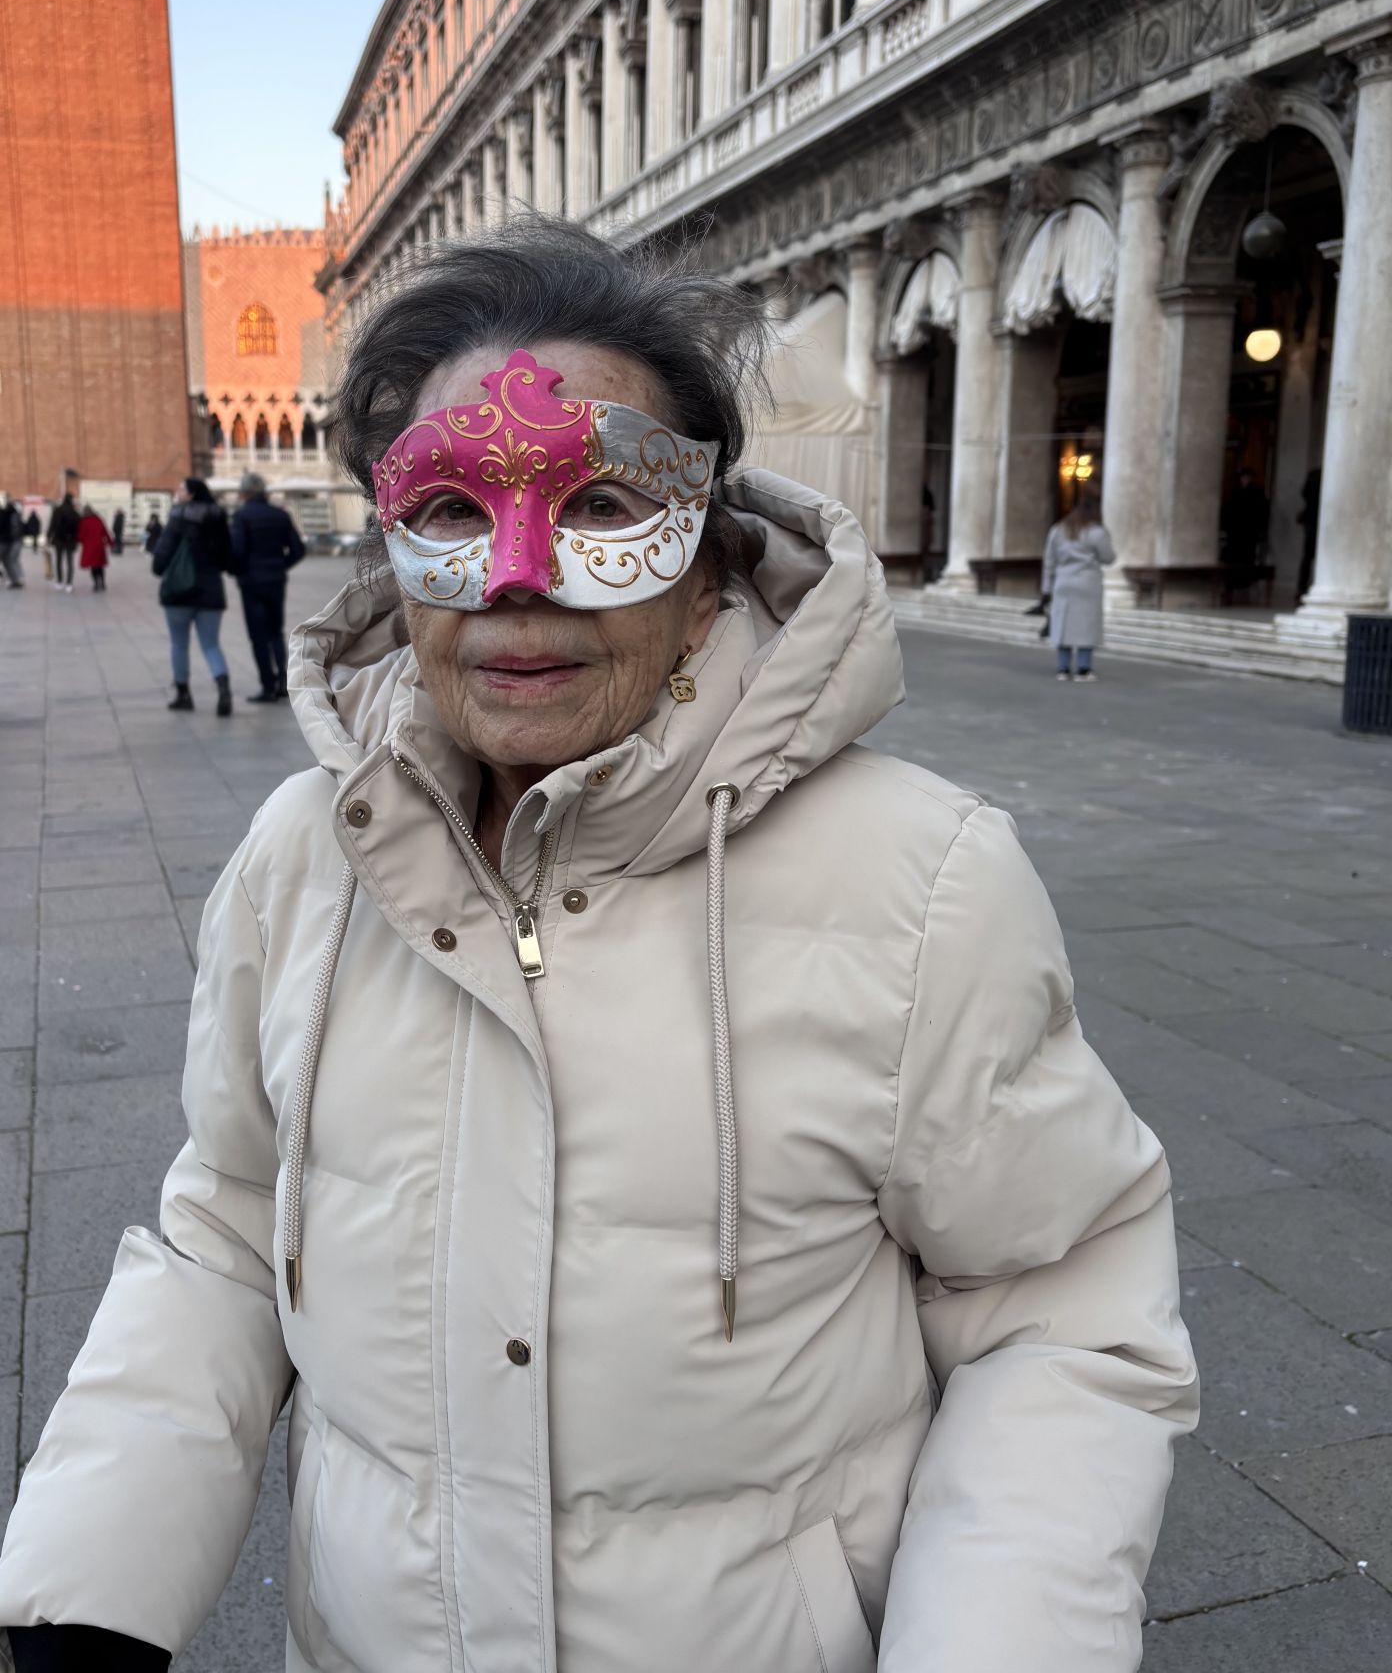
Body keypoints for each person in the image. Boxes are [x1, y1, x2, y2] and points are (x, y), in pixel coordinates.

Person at [0, 226, 1195, 1673]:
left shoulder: (924, 884)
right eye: (450, 506)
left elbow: (1063, 1319)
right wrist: (88, 1592)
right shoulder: (300, 862)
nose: (517, 578)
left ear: (702, 561)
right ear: (391, 546)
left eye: (602, 508)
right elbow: (232, 1230)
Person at [150, 479, 234, 716]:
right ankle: (223, 687)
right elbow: (227, 556)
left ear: (191, 494)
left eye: (180, 490)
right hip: (211, 590)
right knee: (211, 644)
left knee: (179, 644)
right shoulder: (218, 517)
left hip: (179, 591)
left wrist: (158, 568)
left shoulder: (178, 516)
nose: (177, 493)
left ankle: (183, 694)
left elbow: (163, 550)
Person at [229, 471, 305, 702]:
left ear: (244, 493)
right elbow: (298, 549)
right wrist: (280, 565)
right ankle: (283, 681)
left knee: (258, 636)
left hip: (252, 583)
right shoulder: (280, 515)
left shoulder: (242, 516)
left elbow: (238, 551)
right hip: (275, 580)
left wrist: (237, 570)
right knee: (275, 632)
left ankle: (267, 685)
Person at [1043, 489, 1115, 681]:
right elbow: (1108, 558)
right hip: (1087, 583)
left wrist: (1046, 590)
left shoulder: (1058, 530)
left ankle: (1063, 668)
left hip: (1064, 581)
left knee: (1063, 624)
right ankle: (1083, 669)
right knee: (1086, 625)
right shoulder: (1097, 532)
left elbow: (1049, 561)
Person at [1220, 465, 1269, 594]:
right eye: (1243, 477)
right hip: (1235, 531)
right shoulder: (1235, 491)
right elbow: (1228, 510)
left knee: (1247, 557)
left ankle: (1245, 582)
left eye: (1247, 477)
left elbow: (1261, 511)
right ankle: (1232, 582)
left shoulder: (1257, 492)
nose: (1245, 480)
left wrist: (1259, 529)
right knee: (1233, 557)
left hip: (1248, 532)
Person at [1297, 464, 1322, 602]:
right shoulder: (1316, 476)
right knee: (1309, 558)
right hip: (1315, 522)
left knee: (1307, 558)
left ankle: (1301, 588)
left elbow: (1305, 495)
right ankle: (1303, 588)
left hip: (1312, 522)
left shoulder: (1313, 476)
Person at [76, 506, 114, 592]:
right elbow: (105, 532)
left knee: (93, 566)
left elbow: (80, 536)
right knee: (100, 566)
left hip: (89, 547)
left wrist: (80, 541)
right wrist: (110, 543)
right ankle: (103, 583)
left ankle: (96, 583)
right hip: (99, 546)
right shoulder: (98, 520)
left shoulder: (83, 522)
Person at [45, 497, 79, 592]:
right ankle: (69, 584)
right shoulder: (74, 512)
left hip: (59, 540)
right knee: (70, 562)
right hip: (71, 541)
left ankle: (59, 582)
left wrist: (48, 537)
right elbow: (78, 527)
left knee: (59, 561)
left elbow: (52, 524)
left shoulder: (57, 511)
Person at [0, 499, 23, 590]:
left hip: (2, 542)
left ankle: (15, 580)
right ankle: (15, 580)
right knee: (7, 561)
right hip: (9, 542)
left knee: (8, 561)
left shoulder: (3, 514)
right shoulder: (12, 514)